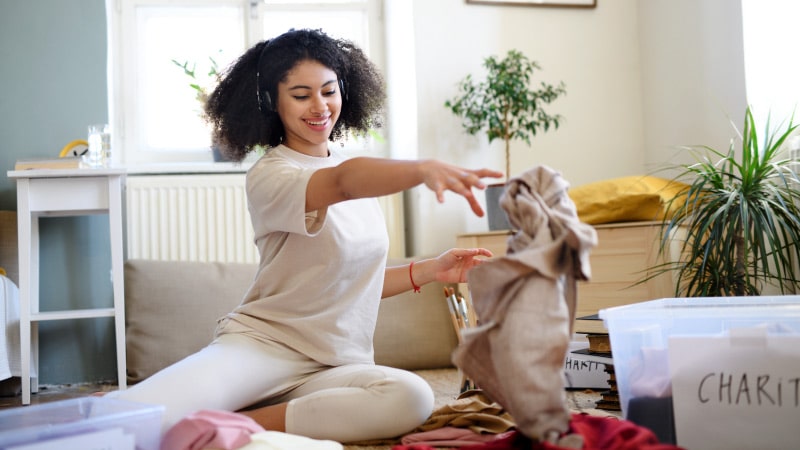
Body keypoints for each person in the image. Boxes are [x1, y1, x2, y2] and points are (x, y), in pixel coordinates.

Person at [107, 28, 503, 443]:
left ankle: (234, 421)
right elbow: (343, 183)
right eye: (301, 95)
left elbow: (350, 281)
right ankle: (206, 411)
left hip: (334, 365)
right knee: (129, 422)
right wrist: (422, 169)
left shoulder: (351, 168)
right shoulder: (273, 174)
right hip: (263, 348)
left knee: (412, 396)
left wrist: (430, 270)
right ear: (271, 103)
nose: (320, 106)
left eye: (329, 91)